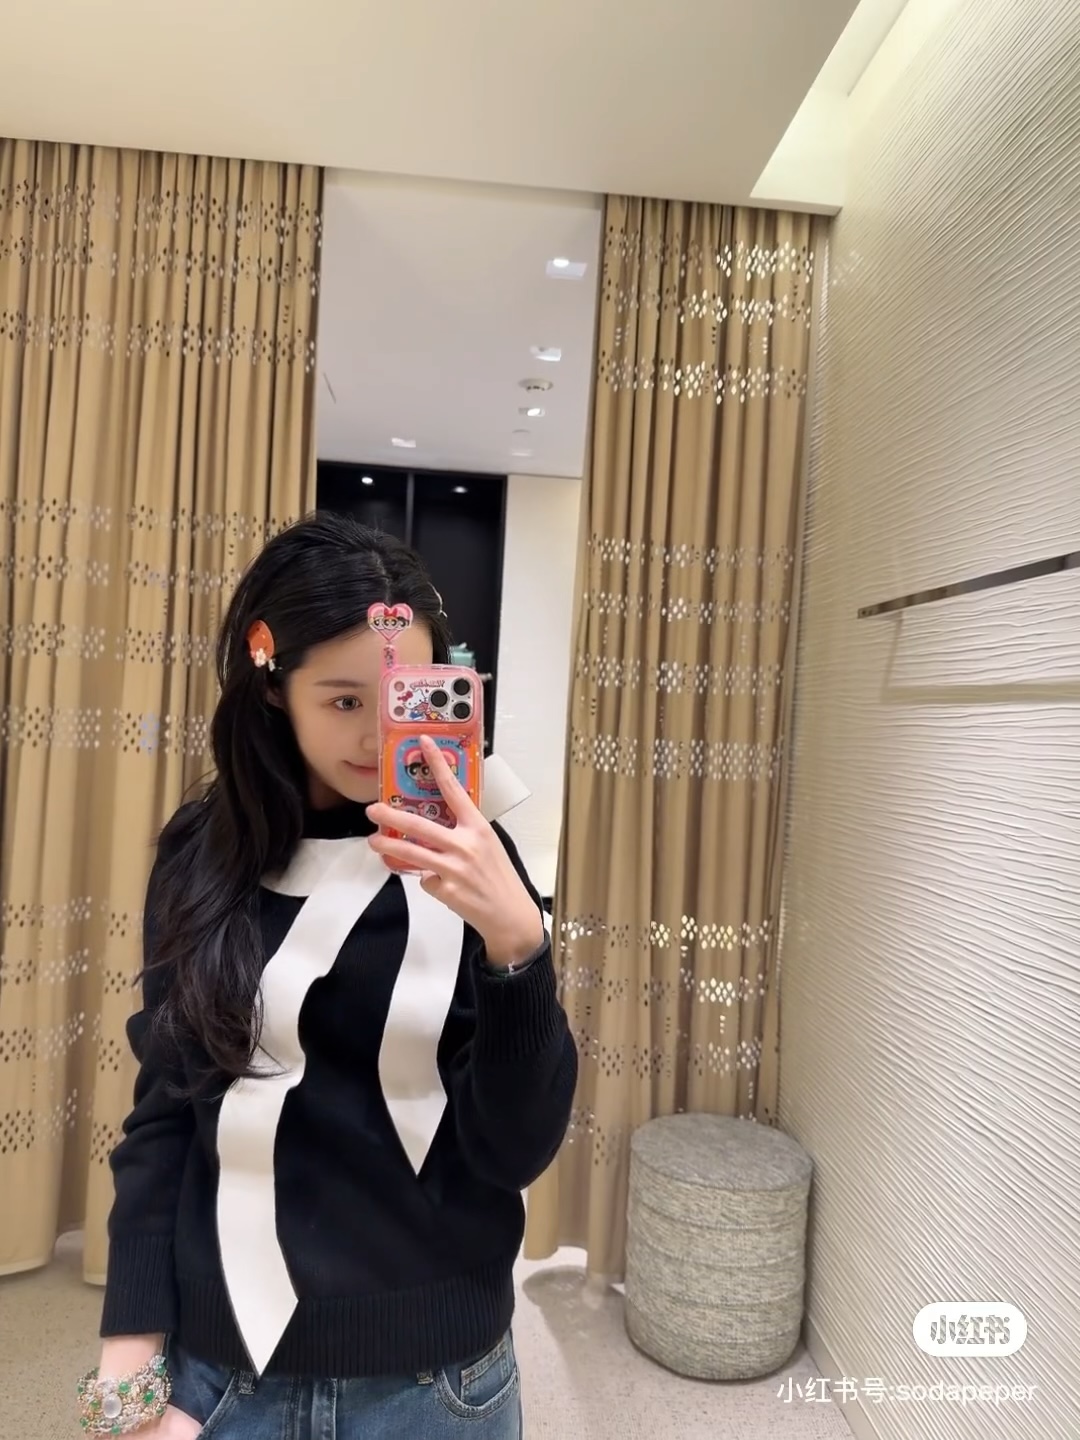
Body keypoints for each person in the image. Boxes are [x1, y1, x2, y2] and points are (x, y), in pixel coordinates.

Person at [85, 513, 578, 1439]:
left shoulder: (476, 862)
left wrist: (518, 941)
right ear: (274, 686)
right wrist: (129, 1360)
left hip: (439, 1380)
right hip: (225, 1370)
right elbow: (168, 1108)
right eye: (343, 701)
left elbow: (515, 1152)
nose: (376, 734)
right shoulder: (205, 855)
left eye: (403, 698)